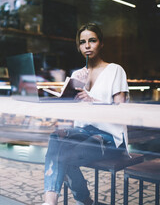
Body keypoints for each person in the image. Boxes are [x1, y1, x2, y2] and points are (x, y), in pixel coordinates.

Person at [42, 23, 129, 205]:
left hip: (109, 137)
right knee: (56, 137)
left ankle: (85, 201)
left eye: (92, 40)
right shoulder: (78, 75)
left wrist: (92, 101)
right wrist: (69, 99)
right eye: (83, 42)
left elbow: (122, 111)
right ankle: (50, 201)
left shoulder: (115, 70)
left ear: (101, 43)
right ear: (79, 46)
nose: (87, 46)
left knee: (64, 158)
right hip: (84, 132)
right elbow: (77, 114)